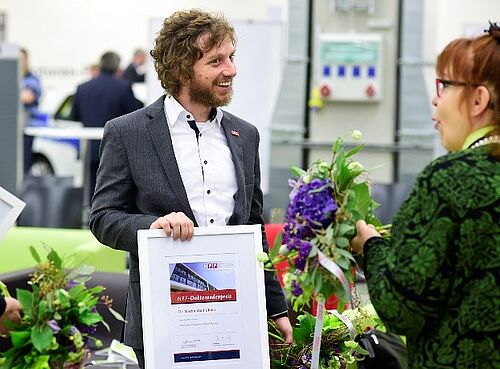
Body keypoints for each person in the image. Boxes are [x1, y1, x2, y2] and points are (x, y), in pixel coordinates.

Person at [89, 9, 293, 368]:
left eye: (231, 57)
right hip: (163, 318)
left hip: (234, 316)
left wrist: (275, 308)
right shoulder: (128, 132)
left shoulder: (245, 136)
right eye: (216, 61)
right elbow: (103, 218)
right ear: (183, 69)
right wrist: (151, 226)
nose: (231, 70)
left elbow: (254, 228)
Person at [351, 22, 500, 369]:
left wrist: (370, 246)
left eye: (445, 85)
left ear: (478, 99)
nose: (435, 98)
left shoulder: (449, 179)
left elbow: (404, 307)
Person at [70, 51, 142, 201]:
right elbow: (136, 114)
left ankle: (89, 217)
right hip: (118, 149)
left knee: (91, 188)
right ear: (117, 66)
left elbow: (74, 116)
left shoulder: (83, 88)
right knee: (115, 193)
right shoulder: (123, 87)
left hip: (90, 147)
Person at [20, 48, 42, 173]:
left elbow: (27, 97)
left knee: (24, 166)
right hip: (11, 131)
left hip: (26, 129)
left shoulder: (32, 79)